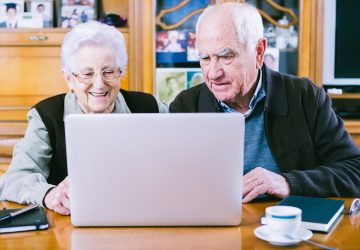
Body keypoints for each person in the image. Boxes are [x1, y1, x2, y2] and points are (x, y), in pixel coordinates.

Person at [169, 2, 360, 202]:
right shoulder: (185, 106)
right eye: (205, 58)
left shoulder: (305, 97)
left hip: (289, 226)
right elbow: (168, 181)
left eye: (226, 56)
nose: (213, 73)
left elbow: (355, 170)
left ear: (259, 52)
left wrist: (288, 183)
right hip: (211, 226)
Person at [0, 21, 168, 215]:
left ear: (120, 73)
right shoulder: (47, 116)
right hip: (70, 228)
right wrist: (49, 194)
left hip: (142, 218)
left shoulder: (150, 107)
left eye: (108, 72)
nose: (99, 84)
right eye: (87, 74)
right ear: (69, 79)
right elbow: (13, 179)